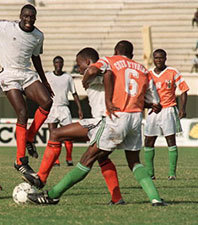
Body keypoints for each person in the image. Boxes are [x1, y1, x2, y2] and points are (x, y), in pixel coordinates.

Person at [28, 40, 167, 206]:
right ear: (132, 54)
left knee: (84, 155)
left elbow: (103, 73)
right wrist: (151, 105)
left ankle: (50, 192)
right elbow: (155, 102)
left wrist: (89, 81)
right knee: (132, 161)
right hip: (135, 119)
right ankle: (153, 198)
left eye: (79, 66)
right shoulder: (143, 69)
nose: (79, 70)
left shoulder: (110, 64)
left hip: (110, 119)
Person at [23, 48, 124, 205]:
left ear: (89, 62)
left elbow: (106, 74)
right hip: (110, 122)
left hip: (103, 121)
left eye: (79, 64)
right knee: (103, 158)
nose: (78, 68)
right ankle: (117, 198)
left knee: (56, 134)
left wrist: (88, 76)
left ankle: (41, 178)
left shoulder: (99, 72)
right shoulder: (104, 75)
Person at [0, 1, 54, 176]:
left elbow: (36, 58)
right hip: (9, 74)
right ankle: (20, 161)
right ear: (20, 16)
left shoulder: (38, 36)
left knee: (47, 102)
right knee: (22, 112)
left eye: (32, 17)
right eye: (26, 16)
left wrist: (45, 81)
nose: (29, 19)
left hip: (27, 74)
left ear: (35, 18)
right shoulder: (5, 27)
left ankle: (29, 137)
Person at [144, 49, 189, 181]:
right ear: (153, 59)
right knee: (149, 140)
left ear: (165, 58)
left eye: (161, 58)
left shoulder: (173, 72)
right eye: (156, 58)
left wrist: (182, 108)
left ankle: (172, 174)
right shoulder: (148, 74)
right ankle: (150, 173)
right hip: (153, 110)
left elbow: (184, 90)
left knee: (170, 140)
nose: (159, 60)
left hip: (168, 110)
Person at [44, 56, 83, 167]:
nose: (59, 64)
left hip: (64, 108)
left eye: (60, 62)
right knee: (53, 135)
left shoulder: (67, 77)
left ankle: (69, 158)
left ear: (63, 64)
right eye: (56, 62)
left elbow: (74, 93)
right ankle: (56, 160)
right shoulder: (48, 76)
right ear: (53, 64)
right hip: (52, 108)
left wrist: (79, 108)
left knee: (68, 135)